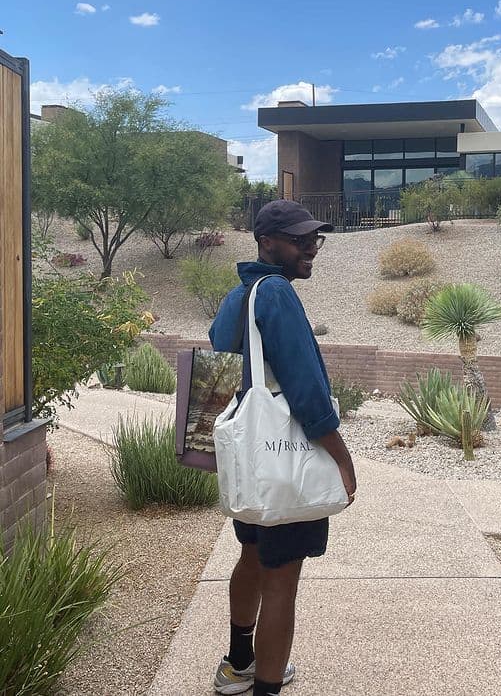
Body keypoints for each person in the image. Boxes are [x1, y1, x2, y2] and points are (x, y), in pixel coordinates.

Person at [208, 200, 357, 696]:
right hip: (284, 461)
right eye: (299, 240)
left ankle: (238, 665)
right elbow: (306, 388)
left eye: (314, 239)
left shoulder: (240, 294)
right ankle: (267, 687)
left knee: (252, 556)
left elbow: (222, 355)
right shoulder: (277, 294)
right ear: (266, 242)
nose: (310, 248)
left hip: (252, 461)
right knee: (281, 582)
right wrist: (341, 457)